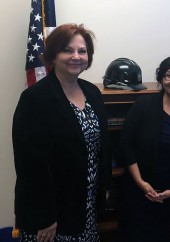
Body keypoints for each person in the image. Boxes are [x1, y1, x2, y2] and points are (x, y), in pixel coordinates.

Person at [12, 23, 111, 242]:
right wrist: (45, 217)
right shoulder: (35, 99)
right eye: (68, 50)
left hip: (85, 205)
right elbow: (30, 165)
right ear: (53, 55)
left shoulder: (92, 92)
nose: (76, 56)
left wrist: (103, 186)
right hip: (51, 214)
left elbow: (102, 148)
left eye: (82, 51)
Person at [117, 55, 170, 242]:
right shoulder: (144, 106)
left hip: (169, 196)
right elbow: (126, 144)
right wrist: (142, 184)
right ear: (161, 79)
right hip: (138, 193)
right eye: (169, 75)